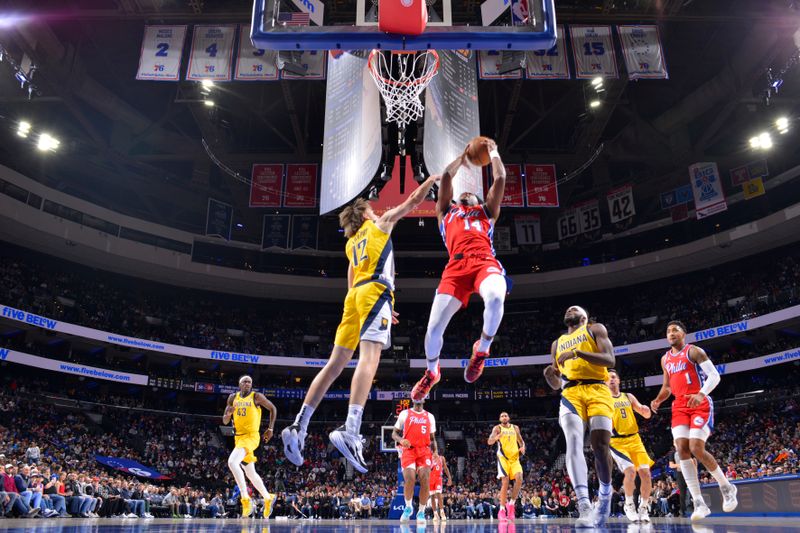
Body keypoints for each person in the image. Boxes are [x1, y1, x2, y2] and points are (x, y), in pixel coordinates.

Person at [281, 175, 440, 472]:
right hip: (374, 294)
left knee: (334, 365)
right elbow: (413, 202)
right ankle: (351, 430)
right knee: (370, 359)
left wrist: (373, 304)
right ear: (367, 213)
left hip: (355, 298)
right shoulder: (379, 225)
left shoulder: (352, 243)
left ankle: (298, 426)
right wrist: (430, 180)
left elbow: (352, 280)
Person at [411, 140, 510, 400]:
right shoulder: (447, 211)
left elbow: (500, 177)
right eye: (462, 194)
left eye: (471, 194)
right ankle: (432, 372)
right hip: (455, 268)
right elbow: (445, 176)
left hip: (483, 261)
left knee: (497, 297)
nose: (465, 194)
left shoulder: (486, 212)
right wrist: (463, 157)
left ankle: (482, 350)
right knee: (433, 330)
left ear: (478, 200)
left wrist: (493, 151)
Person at [650, 320, 738, 520]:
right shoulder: (665, 359)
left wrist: (700, 393)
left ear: (684, 334)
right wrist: (657, 399)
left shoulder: (694, 352)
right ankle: (699, 503)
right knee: (682, 451)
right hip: (679, 406)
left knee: (696, 448)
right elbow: (668, 387)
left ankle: (727, 488)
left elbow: (714, 376)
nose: (671, 333)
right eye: (668, 330)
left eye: (675, 330)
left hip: (699, 403)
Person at [543, 306, 616, 527]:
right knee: (573, 443)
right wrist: (550, 377)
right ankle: (584, 504)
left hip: (597, 389)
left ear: (583, 317)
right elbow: (557, 382)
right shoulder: (557, 343)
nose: (569, 309)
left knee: (600, 446)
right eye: (567, 309)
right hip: (571, 393)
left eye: (574, 309)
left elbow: (609, 360)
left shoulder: (594, 329)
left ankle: (605, 495)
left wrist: (578, 352)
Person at [222, 375, 277, 519]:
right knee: (250, 473)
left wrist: (270, 429)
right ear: (239, 384)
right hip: (238, 437)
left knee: (232, 462)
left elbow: (273, 409)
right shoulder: (232, 398)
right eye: (245, 381)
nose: (247, 383)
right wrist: (228, 414)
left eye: (250, 382)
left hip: (251, 436)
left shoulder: (256, 396)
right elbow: (225, 420)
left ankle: (245, 499)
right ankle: (267, 497)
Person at [606, 368, 654, 523]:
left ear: (618, 380)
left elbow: (643, 411)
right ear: (604, 382)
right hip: (617, 442)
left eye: (614, 377)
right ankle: (629, 504)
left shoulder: (628, 396)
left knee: (646, 474)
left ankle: (644, 507)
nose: (611, 379)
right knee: (630, 471)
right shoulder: (604, 400)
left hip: (635, 439)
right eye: (608, 378)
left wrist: (645, 411)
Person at [392, 397, 438, 523]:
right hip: (408, 450)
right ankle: (408, 507)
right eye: (417, 396)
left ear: (424, 400)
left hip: (424, 451)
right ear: (413, 399)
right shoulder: (405, 413)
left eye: (421, 396)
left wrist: (436, 452)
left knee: (425, 480)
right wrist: (401, 440)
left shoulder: (430, 416)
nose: (419, 398)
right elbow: (394, 434)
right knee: (410, 479)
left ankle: (421, 512)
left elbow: (432, 438)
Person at [487, 412, 525, 521]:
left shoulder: (515, 428)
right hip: (503, 458)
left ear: (509, 418)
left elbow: (521, 442)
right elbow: (489, 441)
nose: (504, 417)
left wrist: (523, 447)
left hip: (515, 458)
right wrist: (495, 438)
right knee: (505, 481)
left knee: (519, 479)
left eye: (506, 415)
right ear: (500, 419)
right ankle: (502, 509)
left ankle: (511, 504)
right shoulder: (497, 428)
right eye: (502, 416)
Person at [428, 450, 452, 522]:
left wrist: (449, 478)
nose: (434, 452)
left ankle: (442, 513)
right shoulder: (429, 458)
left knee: (439, 494)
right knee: (432, 496)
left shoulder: (441, 458)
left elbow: (445, 468)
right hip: (430, 479)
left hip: (438, 478)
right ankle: (435, 514)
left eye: (435, 451)